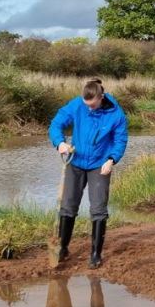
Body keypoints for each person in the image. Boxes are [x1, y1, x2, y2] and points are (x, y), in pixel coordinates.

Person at [49, 78, 128, 269]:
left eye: (93, 105)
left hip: (99, 165)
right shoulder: (77, 104)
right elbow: (56, 123)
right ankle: (63, 247)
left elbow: (120, 140)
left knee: (98, 209)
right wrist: (60, 143)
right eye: (87, 105)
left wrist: (111, 160)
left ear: (101, 97)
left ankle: (95, 254)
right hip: (75, 162)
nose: (89, 108)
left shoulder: (116, 115)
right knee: (68, 206)